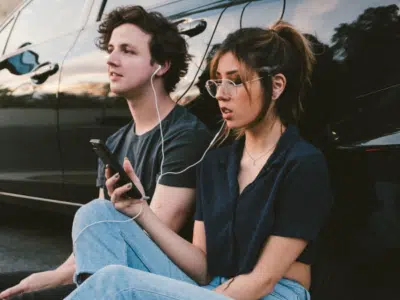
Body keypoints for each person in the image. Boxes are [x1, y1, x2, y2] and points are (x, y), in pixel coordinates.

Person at [64, 21, 333, 300]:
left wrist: (196, 295)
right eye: (217, 82)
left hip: (272, 294)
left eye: (236, 81)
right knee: (95, 215)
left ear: (276, 86)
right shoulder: (216, 162)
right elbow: (202, 268)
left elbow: (261, 282)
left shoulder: (303, 164)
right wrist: (139, 209)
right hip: (213, 287)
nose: (221, 94)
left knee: (116, 283)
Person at [0, 5, 211, 300]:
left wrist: (57, 279)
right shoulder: (114, 142)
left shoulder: (185, 136)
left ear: (161, 65)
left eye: (127, 50)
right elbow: (96, 229)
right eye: (111, 49)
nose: (111, 59)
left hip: (154, 276)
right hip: (112, 264)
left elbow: (148, 239)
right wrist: (55, 273)